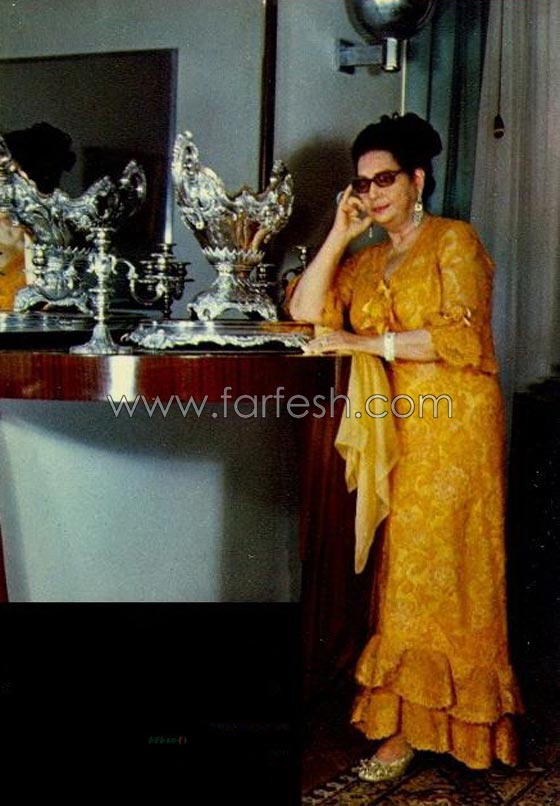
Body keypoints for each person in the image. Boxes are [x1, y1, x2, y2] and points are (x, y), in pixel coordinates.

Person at [289, 112, 522, 779]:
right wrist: (339, 234)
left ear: (417, 180)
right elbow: (305, 312)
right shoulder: (364, 261)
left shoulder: (454, 241)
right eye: (361, 184)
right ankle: (410, 725)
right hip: (399, 426)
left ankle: (451, 730)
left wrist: (361, 342)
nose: (372, 193)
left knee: (448, 569)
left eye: (384, 179)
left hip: (456, 423)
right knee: (405, 572)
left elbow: (460, 338)